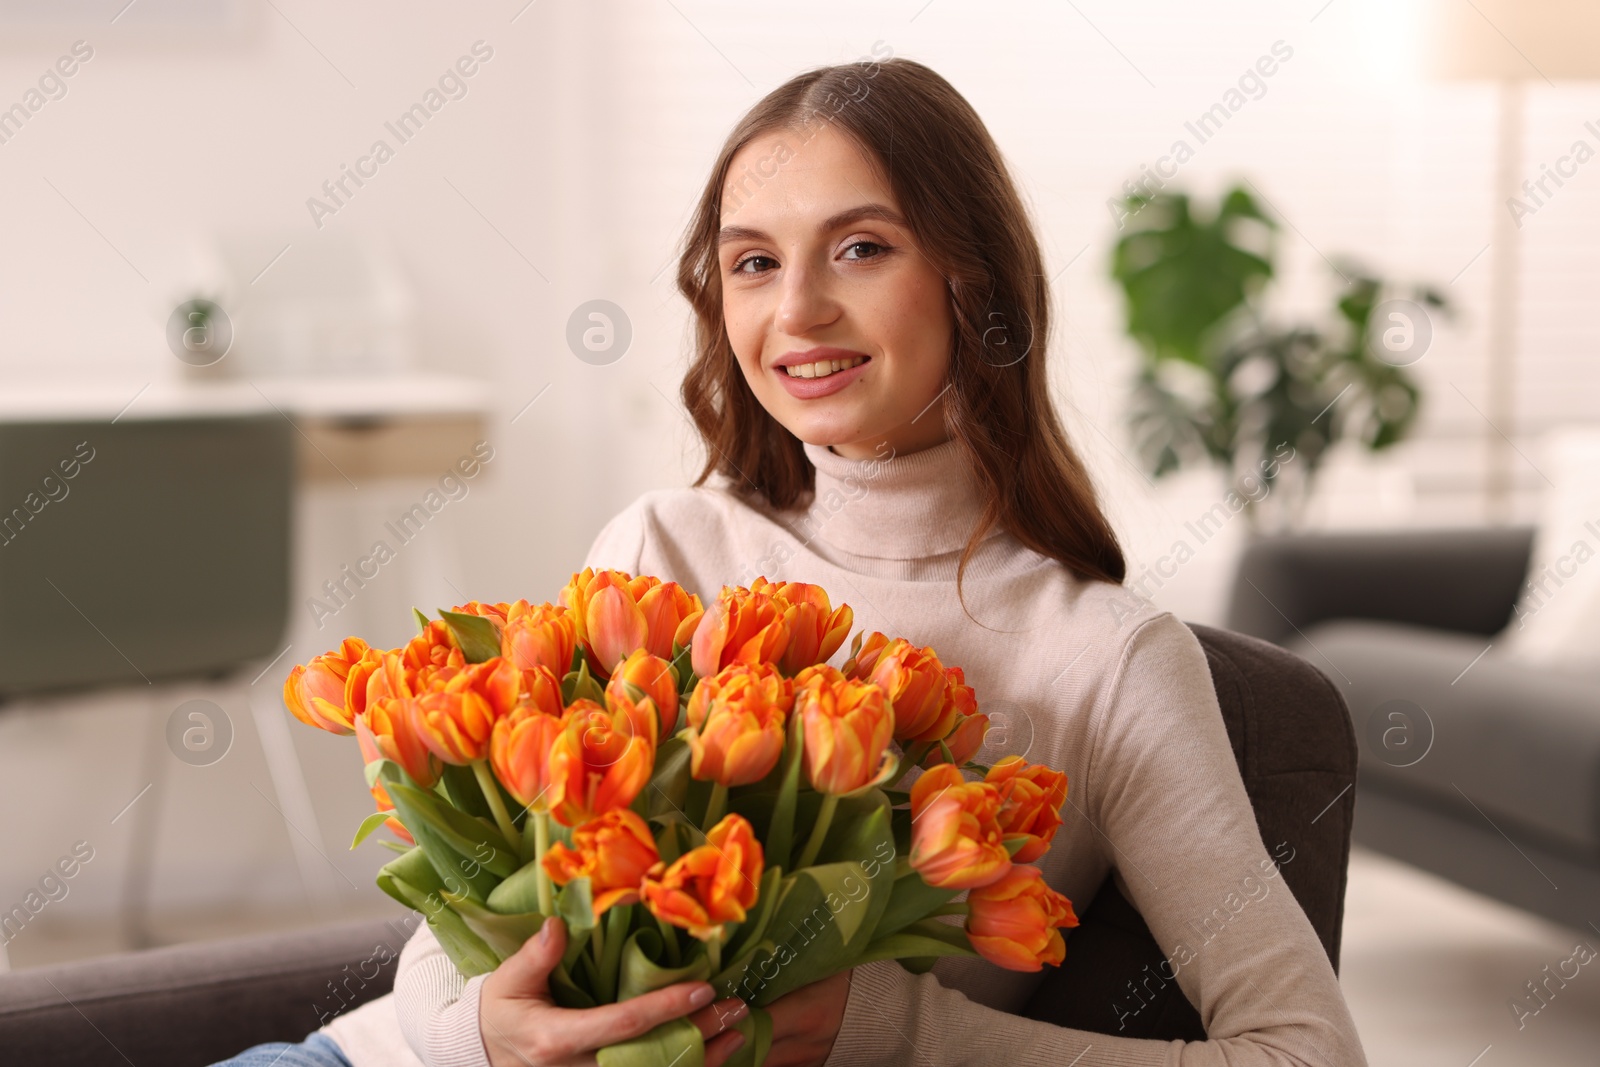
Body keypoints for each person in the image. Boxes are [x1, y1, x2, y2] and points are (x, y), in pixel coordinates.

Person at [216, 55, 1367, 1067]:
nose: (799, 308)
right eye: (754, 262)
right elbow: (452, 931)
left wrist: (900, 1030)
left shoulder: (1106, 659)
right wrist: (478, 1033)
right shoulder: (659, 550)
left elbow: (1306, 1049)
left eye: (860, 248)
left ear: (974, 281)